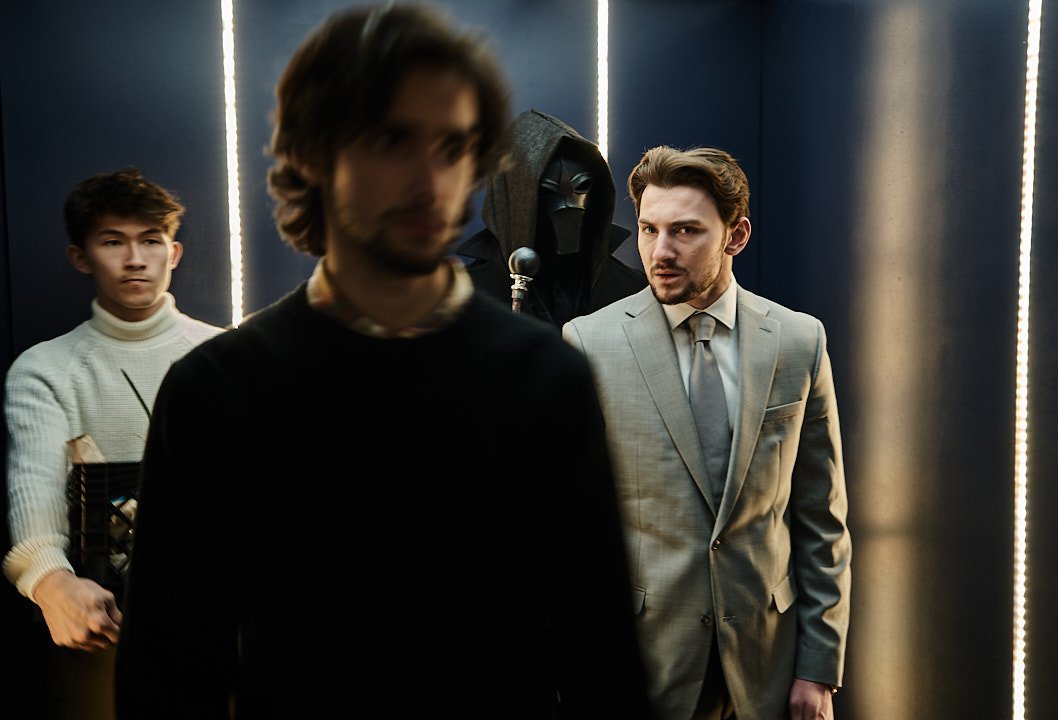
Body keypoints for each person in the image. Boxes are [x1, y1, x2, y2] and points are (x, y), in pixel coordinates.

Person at [115, 4, 654, 719]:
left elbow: (602, 663)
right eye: (391, 139)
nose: (430, 180)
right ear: (313, 152)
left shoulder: (544, 379)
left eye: (453, 146)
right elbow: (170, 677)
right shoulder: (219, 392)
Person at [563, 146, 852, 720]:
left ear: (736, 236)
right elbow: (569, 532)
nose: (659, 252)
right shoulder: (590, 343)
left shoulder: (799, 342)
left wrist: (818, 669)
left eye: (686, 231)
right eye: (648, 229)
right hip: (645, 665)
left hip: (767, 663)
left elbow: (822, 517)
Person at [2, 167, 224, 720]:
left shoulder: (227, 356)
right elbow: (35, 489)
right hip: (105, 621)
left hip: (220, 616)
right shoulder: (47, 368)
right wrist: (50, 582)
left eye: (150, 241)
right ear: (81, 256)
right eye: (112, 241)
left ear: (173, 253)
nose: (134, 259)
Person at [457, 108, 646, 326]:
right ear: (517, 198)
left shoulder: (631, 290)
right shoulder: (467, 296)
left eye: (581, 187)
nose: (570, 207)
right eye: (549, 191)